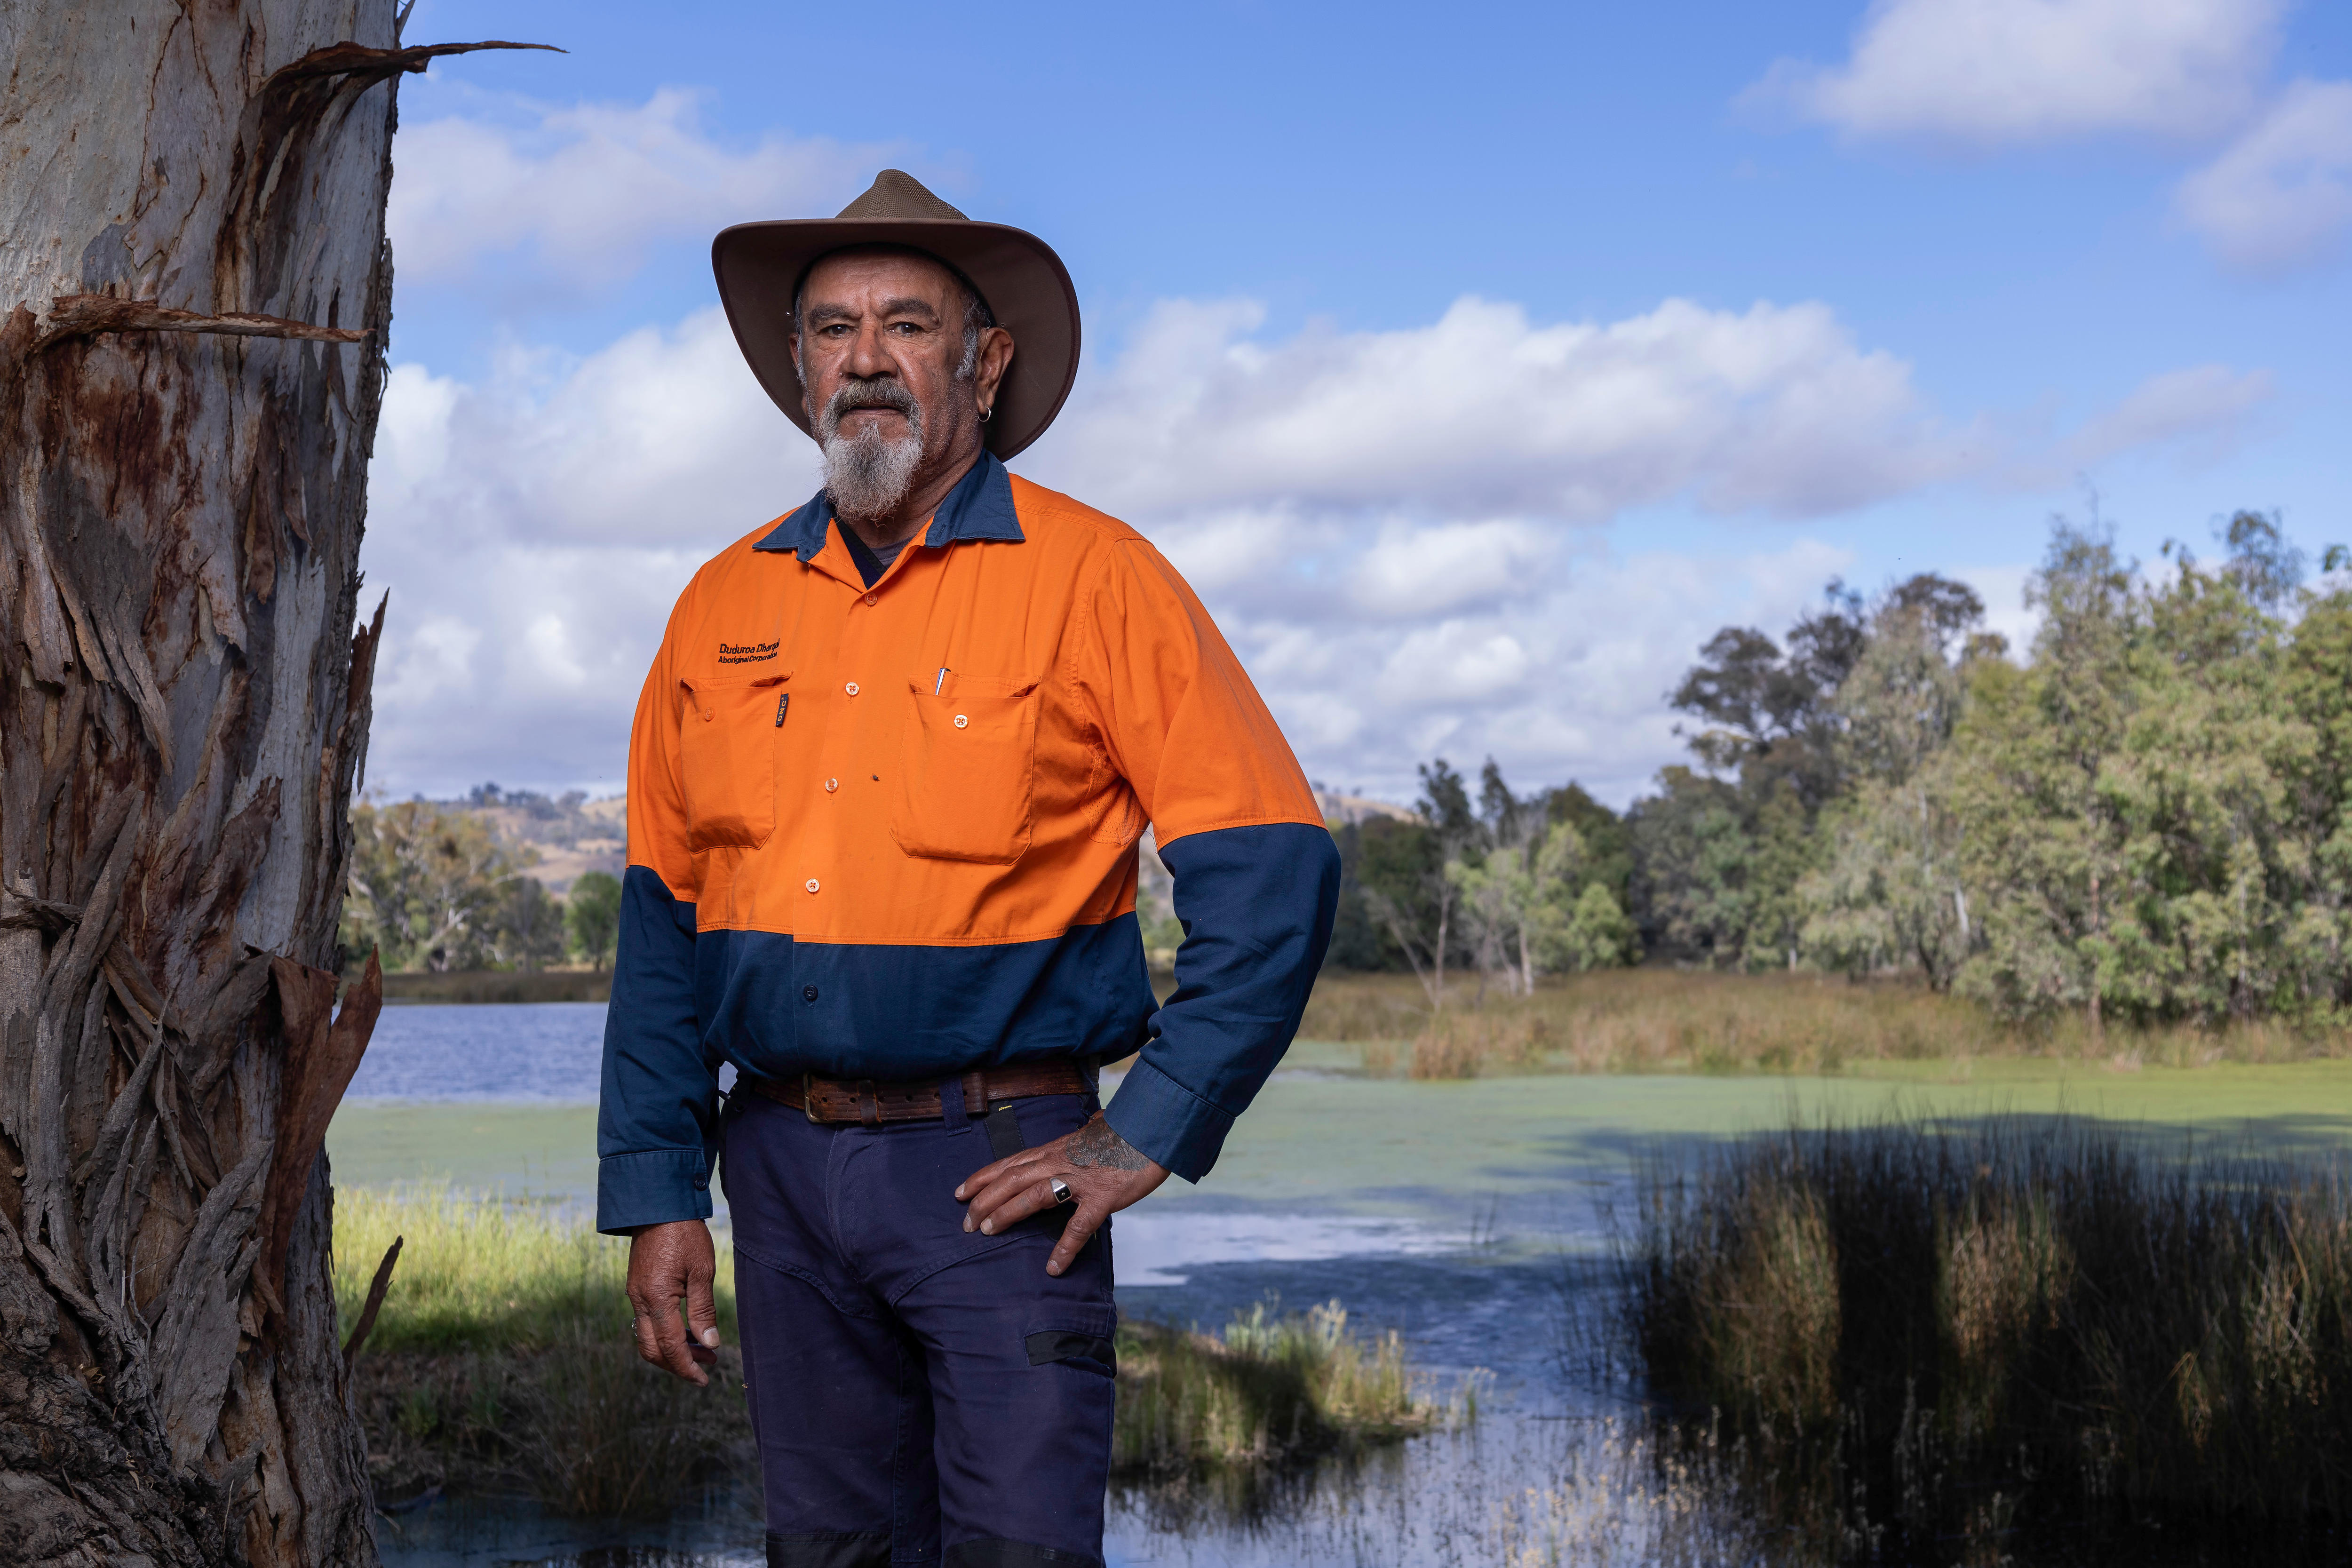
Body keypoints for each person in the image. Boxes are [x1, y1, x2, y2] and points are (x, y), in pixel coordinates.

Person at [596, 169, 1341, 1568]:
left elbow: (1277, 870)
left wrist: (1147, 1131)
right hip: (777, 1166)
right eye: (830, 328)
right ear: (799, 368)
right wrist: (654, 1193)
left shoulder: (1097, 578)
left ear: (985, 366)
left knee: (1020, 1556)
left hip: (1000, 1168)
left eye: (908, 323)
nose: (865, 356)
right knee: (828, 1553)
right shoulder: (720, 604)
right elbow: (661, 931)